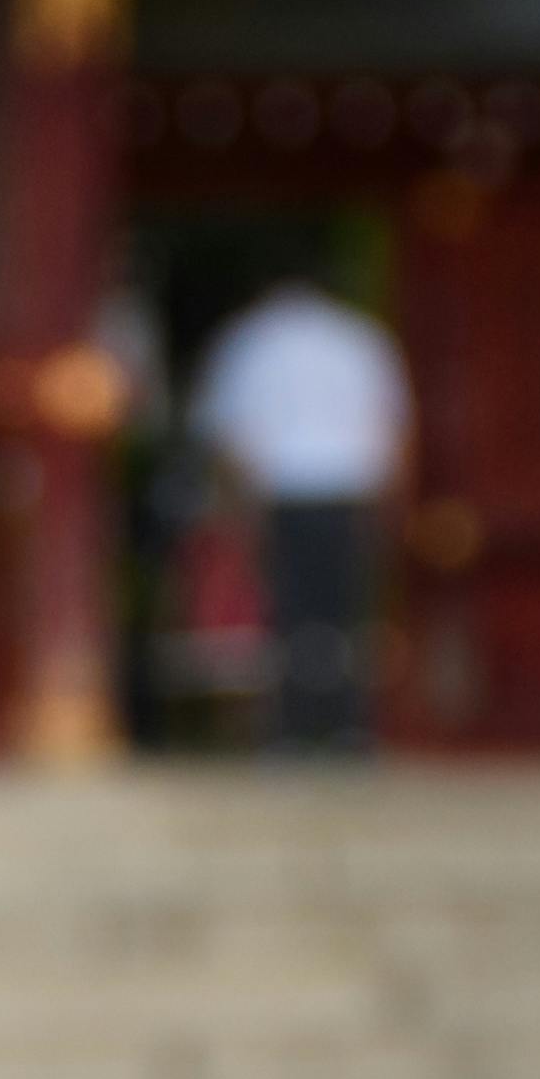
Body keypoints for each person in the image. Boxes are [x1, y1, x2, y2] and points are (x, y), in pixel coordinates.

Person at [193, 274, 409, 755]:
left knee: (289, 614)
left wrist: (236, 505)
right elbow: (392, 424)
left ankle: (291, 730)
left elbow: (228, 432)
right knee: (345, 613)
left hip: (282, 488)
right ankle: (348, 728)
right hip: (351, 486)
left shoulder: (249, 339)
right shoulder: (360, 337)